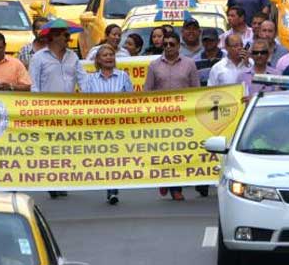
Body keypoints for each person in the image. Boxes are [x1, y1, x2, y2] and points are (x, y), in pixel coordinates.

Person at [29, 24, 87, 198]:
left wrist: (92, 100)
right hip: (47, 110)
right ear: (54, 36)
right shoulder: (39, 58)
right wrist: (39, 108)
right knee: (49, 148)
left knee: (65, 147)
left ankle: (62, 179)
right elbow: (34, 85)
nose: (68, 39)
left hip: (68, 110)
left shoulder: (73, 57)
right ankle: (50, 180)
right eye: (65, 35)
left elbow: (83, 80)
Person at [144, 31, 200, 200]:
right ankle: (164, 179)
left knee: (179, 153)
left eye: (172, 44)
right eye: (165, 44)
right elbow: (148, 91)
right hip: (161, 117)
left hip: (183, 116)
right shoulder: (154, 65)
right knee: (164, 152)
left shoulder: (189, 64)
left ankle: (176, 188)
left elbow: (196, 90)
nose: (168, 47)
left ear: (178, 45)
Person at [81, 44, 134, 205]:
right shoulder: (90, 79)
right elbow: (85, 103)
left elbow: (132, 100)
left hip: (119, 125)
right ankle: (110, 187)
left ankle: (113, 189)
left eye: (111, 54)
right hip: (100, 127)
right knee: (106, 158)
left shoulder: (123, 76)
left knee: (116, 158)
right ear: (98, 59)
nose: (109, 57)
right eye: (105, 55)